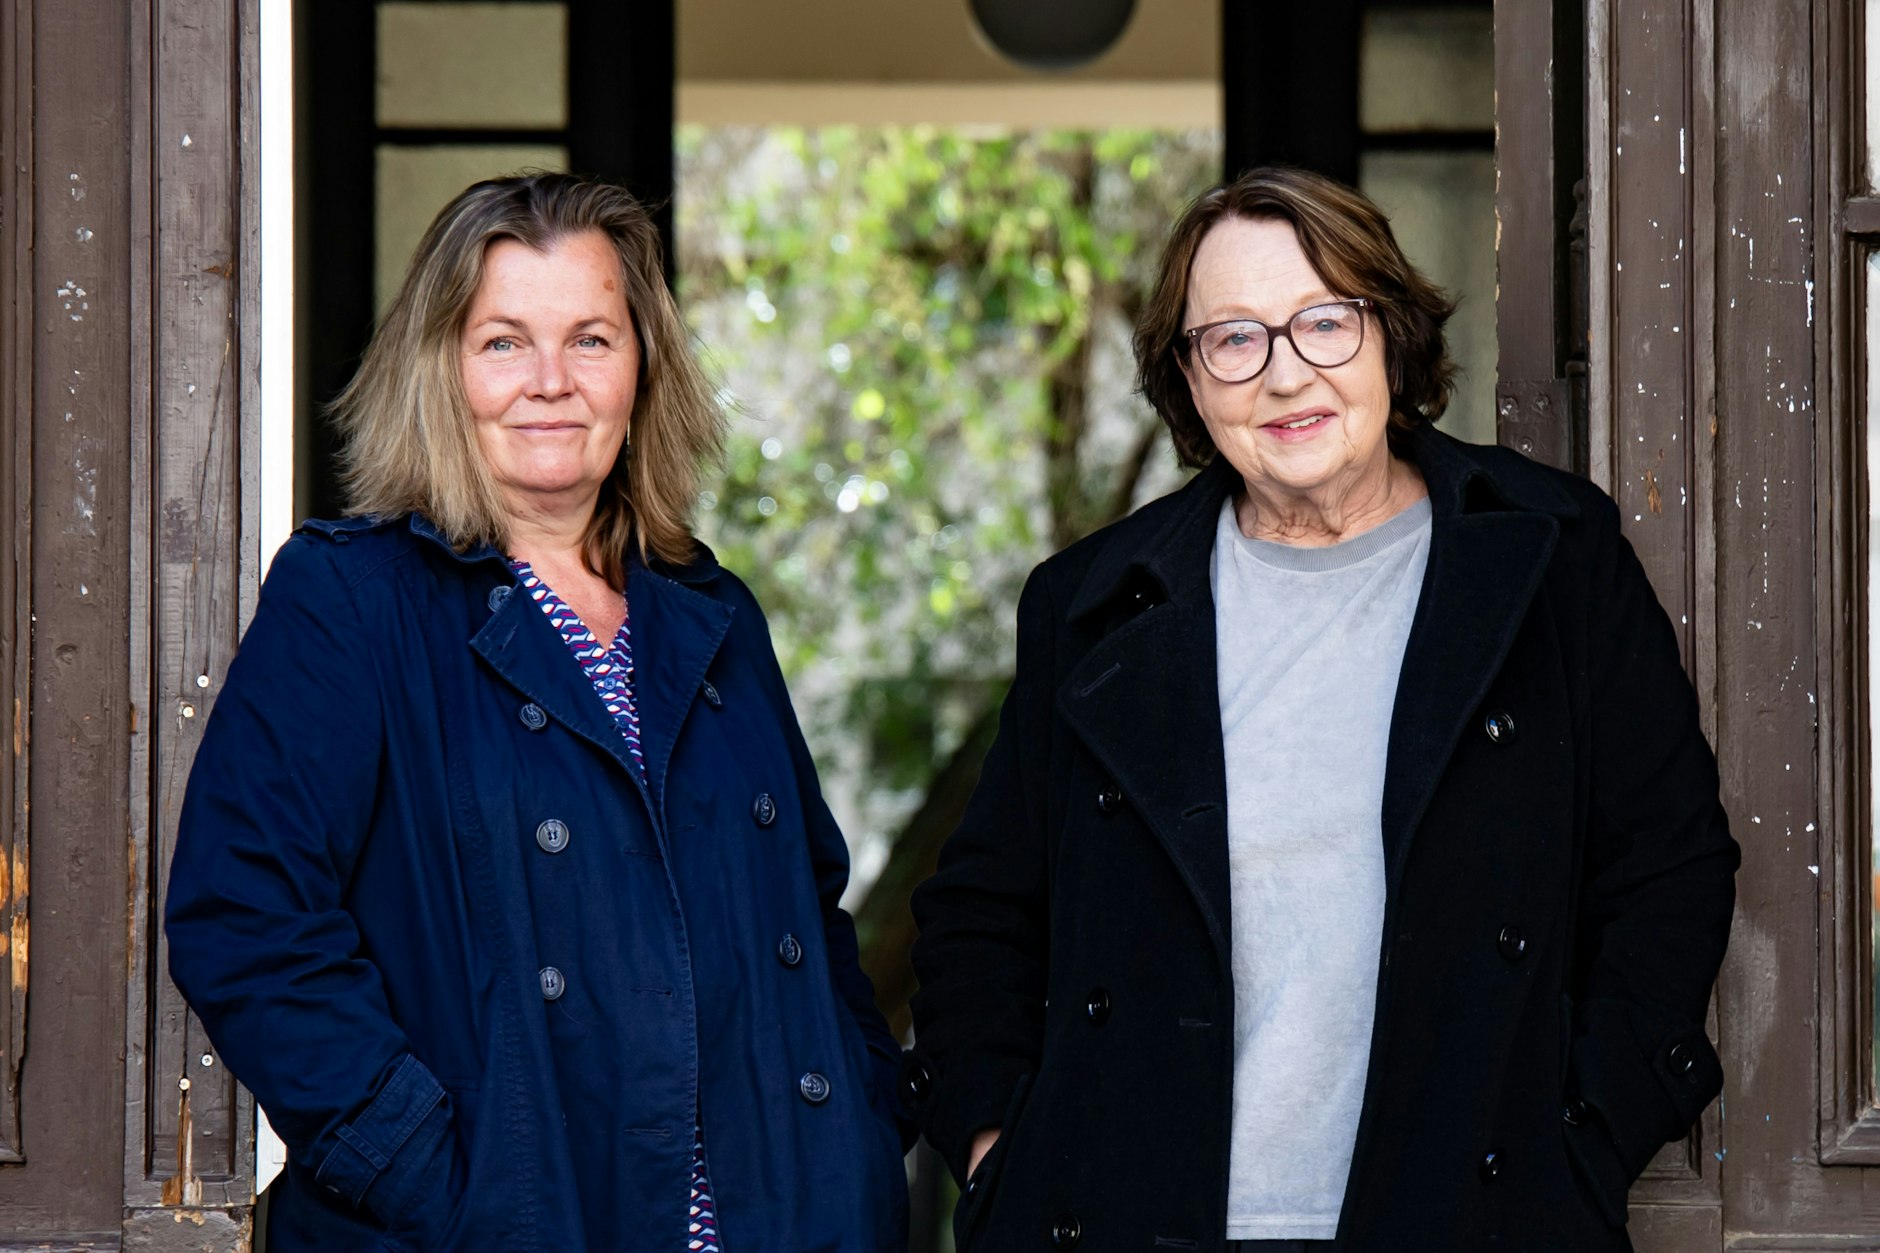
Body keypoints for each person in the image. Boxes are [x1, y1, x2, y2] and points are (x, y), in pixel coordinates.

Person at [902, 167, 1738, 1252]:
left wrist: (1572, 1149)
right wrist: (995, 1148)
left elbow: (1666, 871)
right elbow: (979, 918)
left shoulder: (1548, 557)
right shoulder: (1093, 605)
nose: (1284, 373)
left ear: (1387, 333)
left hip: (1465, 1222)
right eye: (1233, 339)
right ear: (1188, 380)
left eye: (1321, 322)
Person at [165, 173, 911, 1252]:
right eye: (504, 341)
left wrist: (857, 1131)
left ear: (641, 369)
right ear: (442, 368)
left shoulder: (712, 615)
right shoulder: (355, 601)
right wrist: (445, 1180)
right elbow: (245, 917)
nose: (551, 382)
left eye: (592, 340)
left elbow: (809, 914)